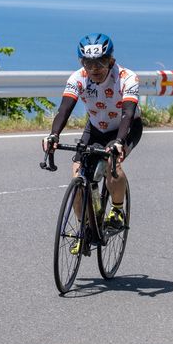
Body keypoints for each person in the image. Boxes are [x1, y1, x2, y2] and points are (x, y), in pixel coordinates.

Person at [41, 33, 142, 240]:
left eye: (101, 62)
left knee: (113, 163)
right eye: (88, 63)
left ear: (111, 60)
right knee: (78, 177)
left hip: (126, 128)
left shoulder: (127, 77)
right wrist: (53, 135)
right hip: (96, 128)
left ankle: (117, 210)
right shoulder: (78, 77)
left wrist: (119, 142)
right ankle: (86, 228)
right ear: (82, 62)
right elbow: (64, 110)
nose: (94, 68)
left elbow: (128, 113)